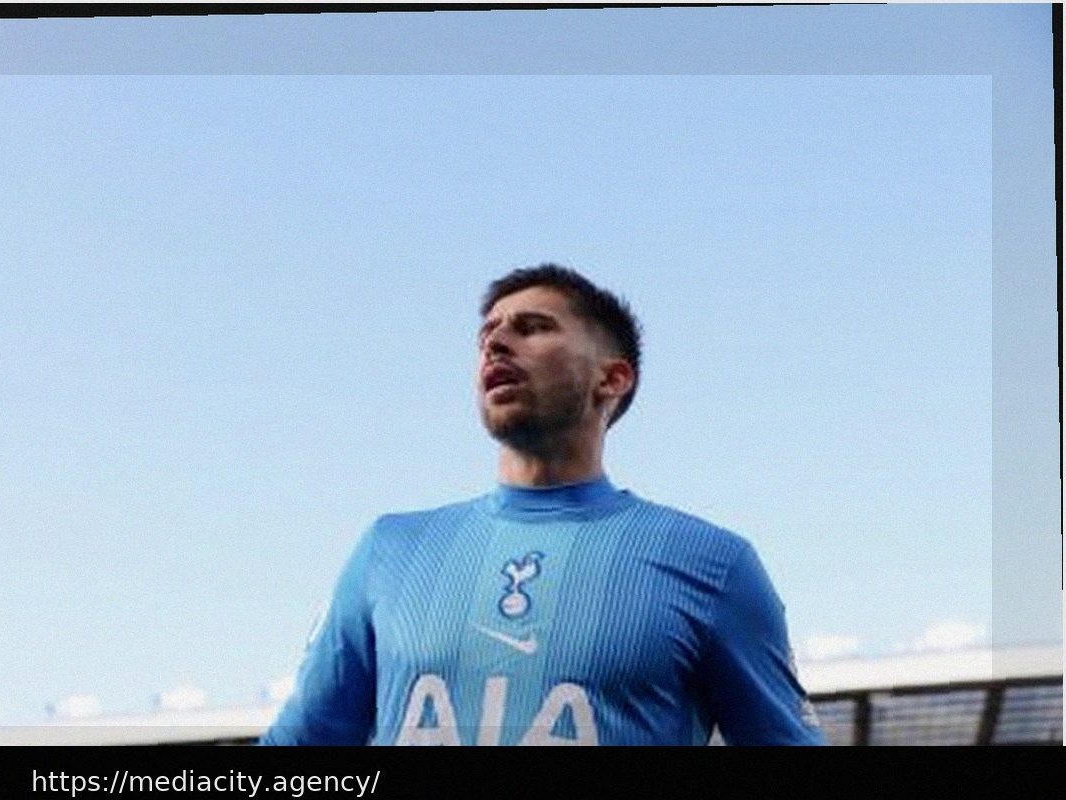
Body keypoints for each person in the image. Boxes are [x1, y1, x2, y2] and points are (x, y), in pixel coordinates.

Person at [260, 264, 824, 746]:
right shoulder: (390, 551)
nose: (496, 342)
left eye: (532, 327)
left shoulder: (713, 565)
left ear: (612, 378)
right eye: (487, 334)